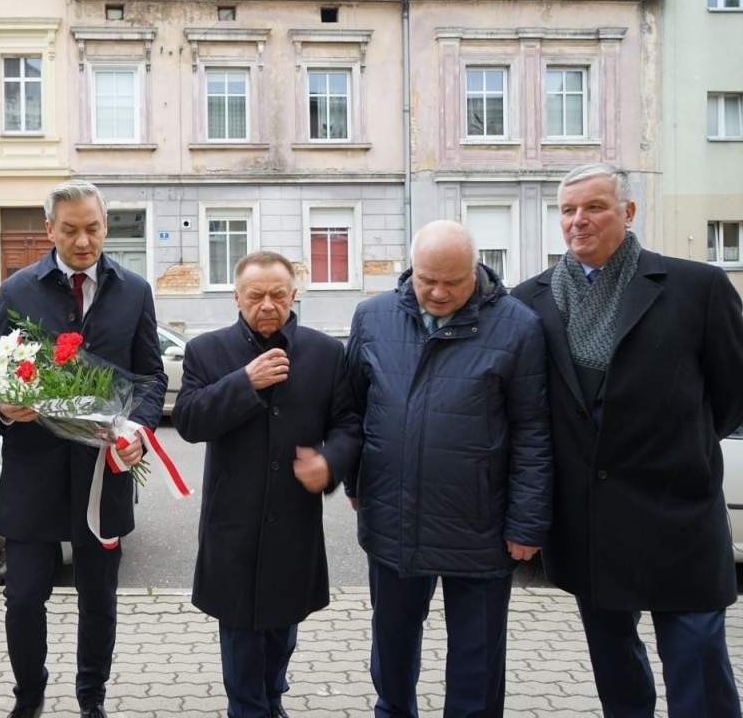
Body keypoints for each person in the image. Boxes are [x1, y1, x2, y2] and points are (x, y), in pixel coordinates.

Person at [511, 163, 743, 717]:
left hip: (678, 514)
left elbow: (733, 394)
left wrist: (677, 449)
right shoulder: (529, 301)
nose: (578, 221)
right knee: (614, 662)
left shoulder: (696, 287)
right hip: (590, 521)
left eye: (594, 208)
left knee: (697, 660)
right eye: (568, 210)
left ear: (628, 213)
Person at [345, 220, 551, 717]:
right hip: (393, 515)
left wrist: (527, 523)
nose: (437, 292)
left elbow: (532, 431)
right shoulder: (372, 317)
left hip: (479, 524)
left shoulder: (518, 325)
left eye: (451, 282)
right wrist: (356, 481)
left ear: (476, 271)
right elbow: (351, 410)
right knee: (391, 647)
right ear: (411, 268)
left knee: (476, 661)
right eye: (426, 279)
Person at [0, 180, 166, 718]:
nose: (83, 240)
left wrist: (137, 428)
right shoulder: (17, 289)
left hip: (102, 475)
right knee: (21, 599)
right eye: (70, 230)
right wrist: (3, 407)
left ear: (105, 226)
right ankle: (30, 695)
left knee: (99, 602)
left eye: (92, 228)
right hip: (32, 476)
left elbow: (151, 377)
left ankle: (92, 698)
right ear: (50, 230)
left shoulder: (133, 290)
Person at [171, 250, 359, 718]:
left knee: (281, 630)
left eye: (278, 294)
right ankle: (250, 707)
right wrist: (244, 382)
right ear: (237, 297)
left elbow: (349, 426)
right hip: (232, 522)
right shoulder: (207, 351)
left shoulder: (325, 353)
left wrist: (330, 462)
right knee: (239, 633)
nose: (268, 304)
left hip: (293, 521)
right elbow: (189, 421)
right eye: (256, 296)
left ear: (295, 295)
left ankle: (272, 694)